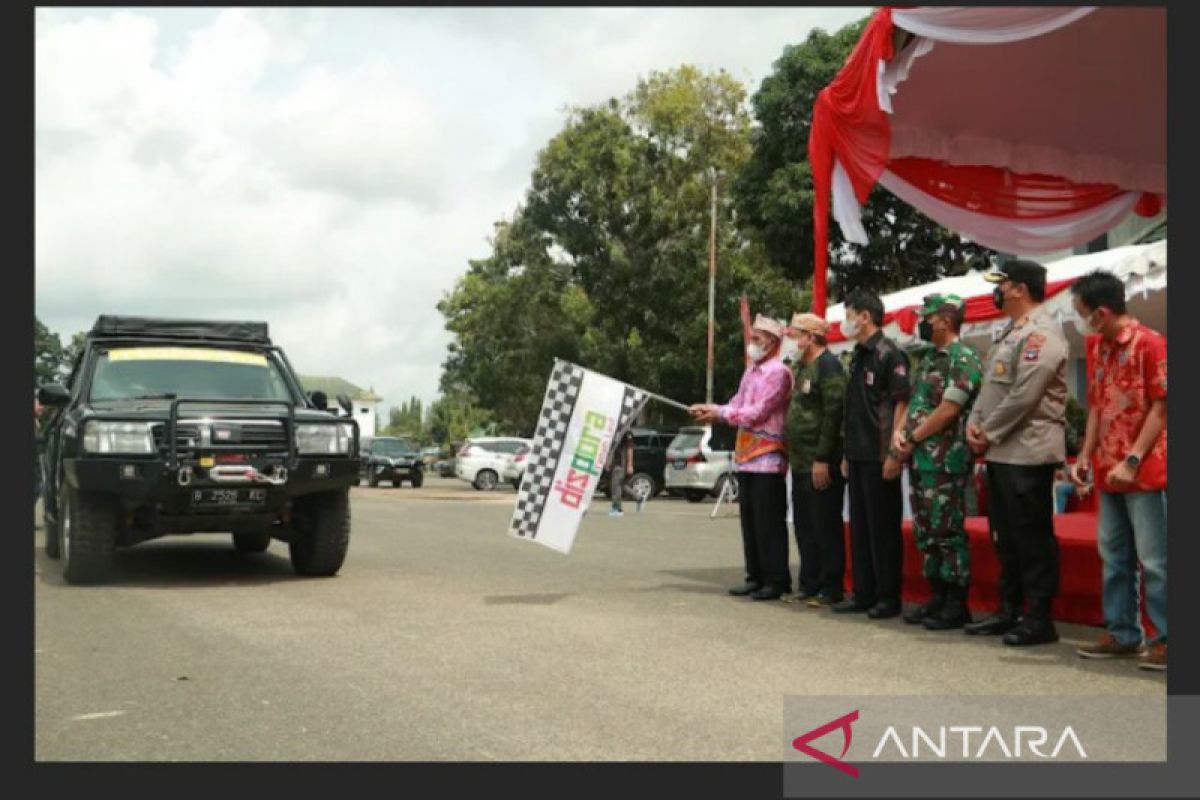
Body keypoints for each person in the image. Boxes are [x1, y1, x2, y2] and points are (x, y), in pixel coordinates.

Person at [965, 259, 1068, 646]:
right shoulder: (1009, 333)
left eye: (1003, 285)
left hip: (1028, 451)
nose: (998, 291)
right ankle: (1009, 609)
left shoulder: (1043, 333)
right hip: (999, 451)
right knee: (1004, 537)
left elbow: (1026, 394)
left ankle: (1039, 617)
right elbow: (990, 387)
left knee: (1032, 537)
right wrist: (975, 424)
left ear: (1020, 289)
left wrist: (987, 432)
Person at [1068, 270, 1167, 671]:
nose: (1080, 319)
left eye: (1082, 312)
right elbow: (1096, 407)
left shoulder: (1151, 345)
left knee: (1156, 559)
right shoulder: (1098, 348)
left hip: (1144, 470)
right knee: (1114, 555)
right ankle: (1123, 633)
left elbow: (1162, 407)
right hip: (1108, 469)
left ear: (1102, 311)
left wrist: (1132, 459)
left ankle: (1166, 638)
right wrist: (1083, 455)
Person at [892, 294, 983, 630]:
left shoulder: (965, 358)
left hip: (947, 461)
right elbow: (917, 404)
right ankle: (938, 596)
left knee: (947, 530)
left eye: (927, 317)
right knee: (926, 529)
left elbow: (949, 409)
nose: (923, 323)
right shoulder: (931, 359)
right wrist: (901, 436)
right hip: (921, 460)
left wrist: (913, 437)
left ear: (945, 320)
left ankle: (957, 602)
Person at [690, 314, 794, 601]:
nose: (752, 343)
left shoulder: (779, 374)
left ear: (772, 342)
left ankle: (776, 579)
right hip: (746, 456)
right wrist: (711, 408)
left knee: (768, 522)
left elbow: (759, 412)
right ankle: (755, 575)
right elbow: (737, 403)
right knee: (749, 520)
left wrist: (721, 414)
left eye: (758, 338)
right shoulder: (750, 371)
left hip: (768, 457)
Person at [834, 289, 910, 619]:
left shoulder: (890, 353)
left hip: (881, 454)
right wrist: (848, 453)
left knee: (883, 530)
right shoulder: (858, 355)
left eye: (849, 314)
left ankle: (887, 596)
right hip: (859, 453)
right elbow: (855, 408)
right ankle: (863, 592)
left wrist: (895, 452)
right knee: (861, 528)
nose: (845, 321)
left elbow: (902, 403)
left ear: (865, 316)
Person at [783, 312, 847, 608]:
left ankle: (830, 586)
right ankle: (809, 583)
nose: (793, 340)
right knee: (805, 525)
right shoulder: (801, 366)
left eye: (797, 334)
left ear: (812, 337)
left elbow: (834, 414)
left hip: (820, 461)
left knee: (825, 525)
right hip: (799, 461)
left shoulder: (829, 366)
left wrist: (823, 458)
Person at [607, 429, 641, 517]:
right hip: (615, 463)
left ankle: (617, 508)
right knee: (621, 485)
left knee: (615, 486)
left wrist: (629, 464)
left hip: (621, 464)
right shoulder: (615, 430)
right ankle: (638, 498)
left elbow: (630, 449)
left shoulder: (626, 433)